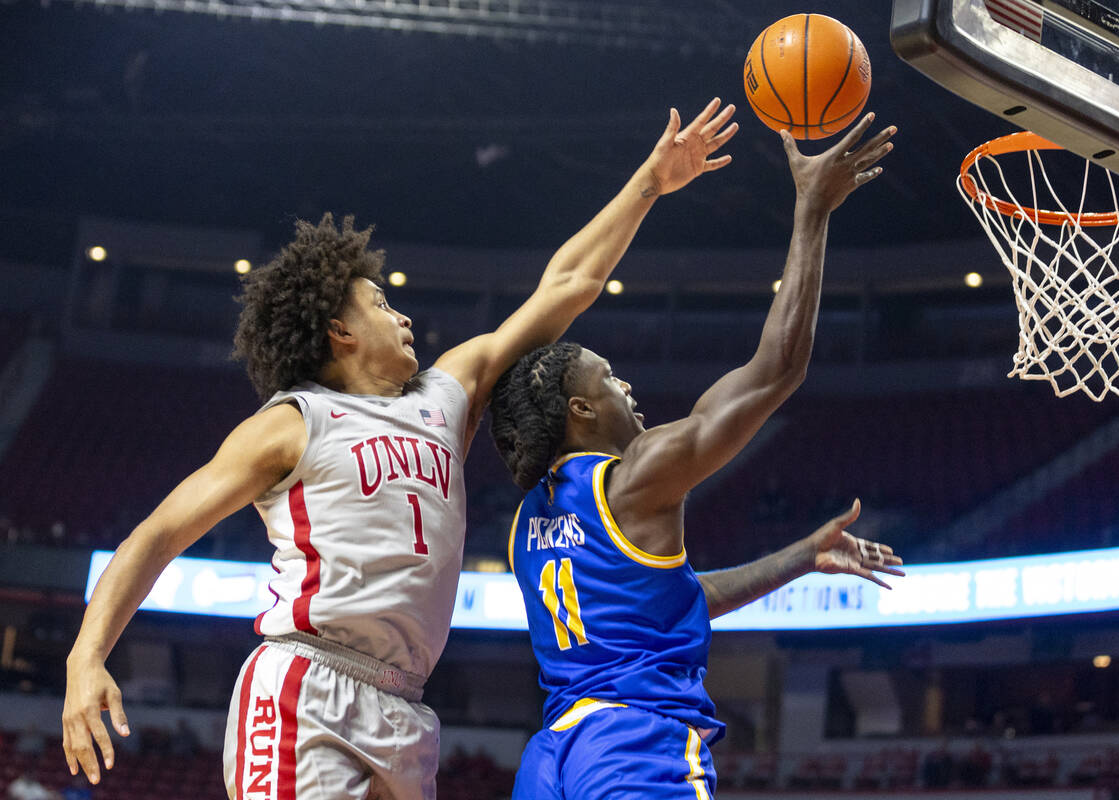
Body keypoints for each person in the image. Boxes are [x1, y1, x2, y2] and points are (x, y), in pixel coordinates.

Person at [60, 98, 739, 799]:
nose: (403, 312)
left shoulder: (448, 395)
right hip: (309, 681)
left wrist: (649, 184)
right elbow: (158, 533)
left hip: (407, 705)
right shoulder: (294, 423)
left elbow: (568, 285)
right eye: (381, 304)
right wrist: (87, 658)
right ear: (339, 331)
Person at [488, 114, 901, 799]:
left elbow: (670, 602)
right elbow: (776, 372)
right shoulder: (635, 476)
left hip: (553, 755)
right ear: (580, 412)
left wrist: (799, 558)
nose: (628, 390)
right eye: (611, 380)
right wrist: (812, 213)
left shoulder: (529, 519)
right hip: (635, 746)